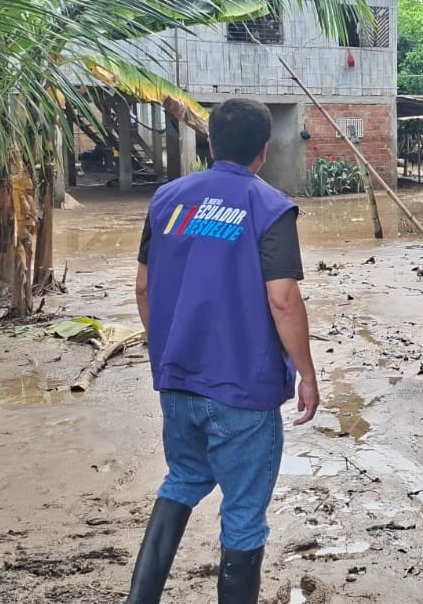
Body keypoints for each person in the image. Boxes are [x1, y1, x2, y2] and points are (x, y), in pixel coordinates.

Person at [127, 98, 320, 604]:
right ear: (264, 149)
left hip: (177, 380)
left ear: (210, 144)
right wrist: (307, 374)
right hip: (244, 389)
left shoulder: (166, 200)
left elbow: (144, 289)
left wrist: (167, 348)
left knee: (182, 479)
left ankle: (139, 599)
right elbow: (282, 299)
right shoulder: (270, 206)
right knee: (242, 516)